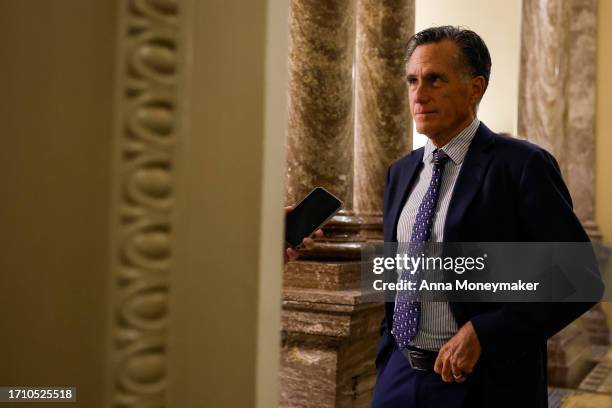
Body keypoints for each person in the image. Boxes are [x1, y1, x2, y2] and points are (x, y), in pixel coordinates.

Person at [371, 26, 602, 407]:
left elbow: (579, 277)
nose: (418, 94)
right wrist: (388, 358)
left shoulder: (522, 166)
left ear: (475, 88)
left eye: (435, 80)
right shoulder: (400, 173)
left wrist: (486, 332)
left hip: (485, 386)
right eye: (412, 80)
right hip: (399, 379)